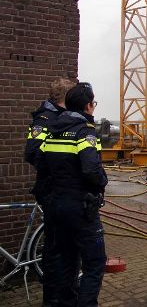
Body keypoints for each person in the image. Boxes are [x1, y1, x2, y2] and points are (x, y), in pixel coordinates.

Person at [37, 82, 108, 307]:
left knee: (66, 261)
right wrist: (103, 180)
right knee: (94, 264)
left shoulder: (52, 128)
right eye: (93, 103)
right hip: (81, 207)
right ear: (88, 106)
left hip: (57, 204)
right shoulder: (85, 132)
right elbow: (91, 170)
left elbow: (42, 163)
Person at [25, 77, 74, 307]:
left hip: (60, 190)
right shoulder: (45, 119)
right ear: (66, 97)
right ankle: (53, 299)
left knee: (64, 248)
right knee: (55, 250)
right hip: (52, 191)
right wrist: (58, 168)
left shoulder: (59, 117)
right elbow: (32, 152)